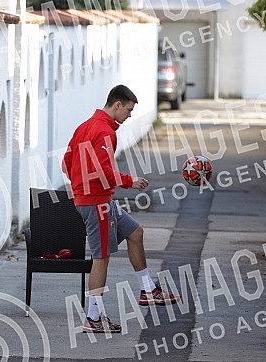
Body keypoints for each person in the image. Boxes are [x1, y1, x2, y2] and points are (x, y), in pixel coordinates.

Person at [62, 85, 180, 333]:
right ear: (117, 104)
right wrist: (130, 181)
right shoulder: (104, 131)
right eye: (127, 110)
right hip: (97, 203)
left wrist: (80, 186)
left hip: (98, 200)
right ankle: (93, 318)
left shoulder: (83, 127)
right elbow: (104, 171)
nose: (128, 116)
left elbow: (66, 163)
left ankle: (148, 290)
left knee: (135, 233)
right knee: (101, 257)